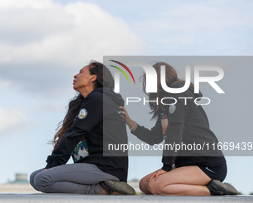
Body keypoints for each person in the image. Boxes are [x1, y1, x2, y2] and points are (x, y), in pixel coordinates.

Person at [120, 62, 238, 196]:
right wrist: (130, 122)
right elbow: (155, 137)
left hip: (208, 164)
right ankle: (205, 187)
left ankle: (215, 190)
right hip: (189, 164)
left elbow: (174, 134)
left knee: (154, 185)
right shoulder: (167, 104)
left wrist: (166, 167)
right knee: (144, 184)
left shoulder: (176, 93)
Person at [30, 61, 135, 195]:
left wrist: (53, 164)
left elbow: (75, 133)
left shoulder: (98, 99)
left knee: (41, 179)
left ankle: (104, 190)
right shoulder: (90, 101)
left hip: (106, 168)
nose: (75, 75)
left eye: (80, 72)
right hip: (92, 165)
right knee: (34, 177)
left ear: (93, 77)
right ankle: (102, 186)